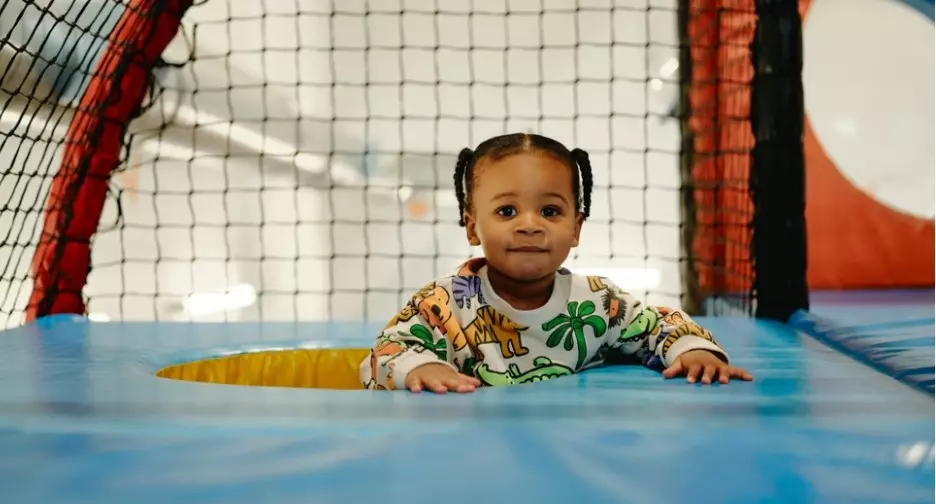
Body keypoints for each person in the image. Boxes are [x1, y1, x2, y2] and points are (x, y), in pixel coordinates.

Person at [359, 133, 754, 393]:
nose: (530, 225)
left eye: (550, 211)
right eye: (507, 210)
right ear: (472, 226)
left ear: (576, 228)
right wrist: (421, 369)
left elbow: (660, 325)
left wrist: (694, 351)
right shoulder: (443, 305)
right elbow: (385, 352)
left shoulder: (598, 303)